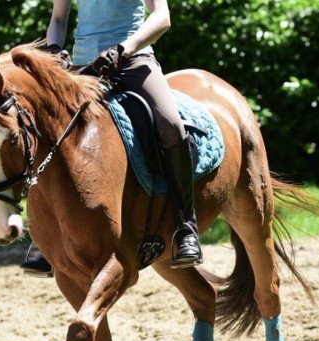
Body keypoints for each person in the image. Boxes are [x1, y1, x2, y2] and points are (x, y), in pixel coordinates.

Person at [21, 0, 202, 277]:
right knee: (44, 134)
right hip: (82, 69)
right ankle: (47, 239)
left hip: (133, 61)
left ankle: (185, 227)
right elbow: (58, 19)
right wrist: (55, 50)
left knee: (171, 126)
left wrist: (123, 49)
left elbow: (162, 17)